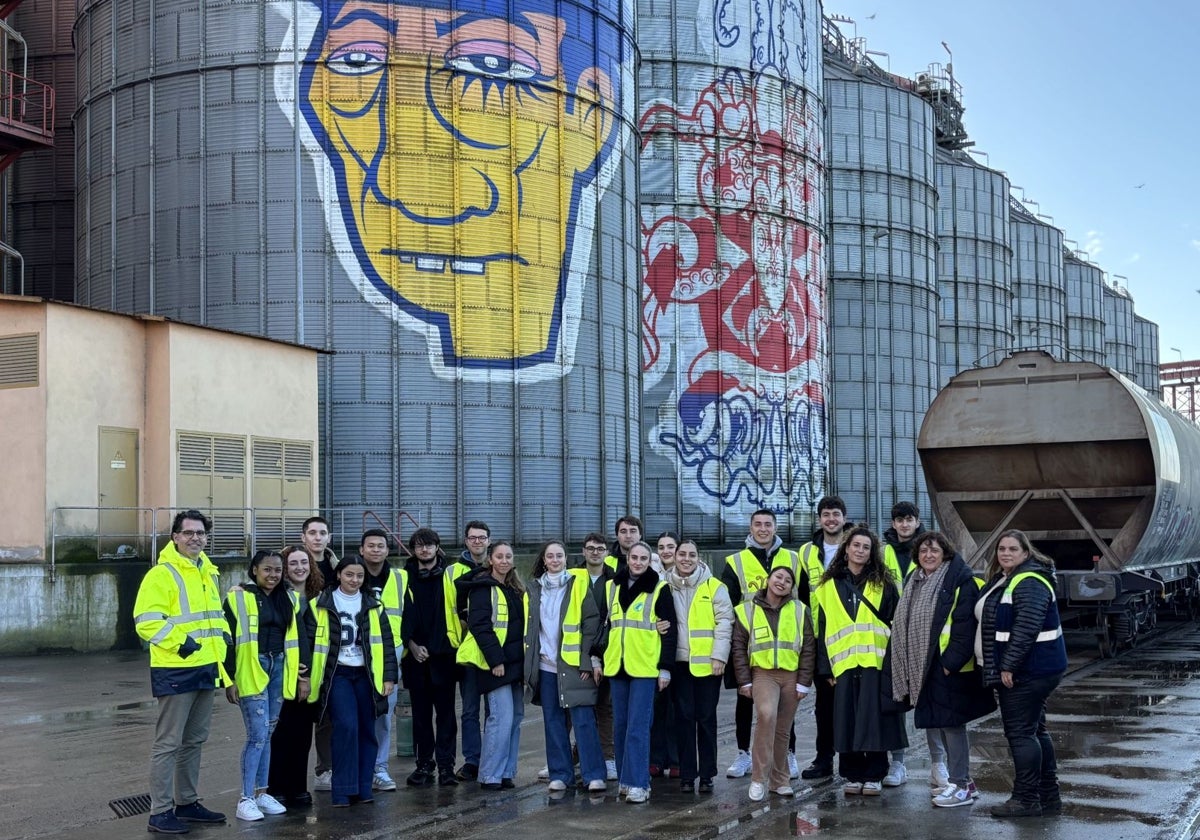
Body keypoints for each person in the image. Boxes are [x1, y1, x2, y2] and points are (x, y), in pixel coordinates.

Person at [134, 509, 229, 834]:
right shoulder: (162, 574)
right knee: (168, 743)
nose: (195, 538)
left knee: (194, 741)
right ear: (175, 537)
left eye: (200, 533)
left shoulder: (207, 571)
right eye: (188, 533)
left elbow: (212, 618)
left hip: (205, 667)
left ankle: (187, 802)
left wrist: (223, 644)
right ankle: (160, 812)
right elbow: (146, 622)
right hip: (176, 668)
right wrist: (183, 643)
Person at [887, 532, 994, 808]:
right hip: (926, 665)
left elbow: (964, 626)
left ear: (945, 553)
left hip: (947, 667)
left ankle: (960, 786)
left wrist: (950, 664)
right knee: (942, 724)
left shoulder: (959, 581)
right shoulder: (916, 580)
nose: (928, 555)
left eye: (934, 550)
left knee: (952, 725)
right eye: (923, 551)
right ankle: (964, 782)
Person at [978, 530, 1068, 819]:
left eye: (1013, 549)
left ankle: (1026, 799)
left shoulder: (1029, 581)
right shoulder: (1010, 577)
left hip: (1028, 671)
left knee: (1020, 734)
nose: (1005, 553)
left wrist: (1008, 666)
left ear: (1026, 553)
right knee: (1035, 731)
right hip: (1034, 669)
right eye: (1001, 548)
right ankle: (1048, 796)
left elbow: (1027, 626)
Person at [813, 524, 905, 796]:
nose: (861, 550)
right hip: (842, 664)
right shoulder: (828, 586)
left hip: (875, 663)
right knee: (846, 719)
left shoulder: (884, 584)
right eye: (856, 545)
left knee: (874, 720)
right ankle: (852, 774)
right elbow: (823, 627)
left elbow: (895, 625)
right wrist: (825, 667)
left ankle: (875, 774)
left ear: (872, 552)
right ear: (846, 549)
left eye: (866, 547)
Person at [224, 550, 309, 821]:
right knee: (257, 736)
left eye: (277, 570)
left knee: (268, 734)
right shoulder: (238, 596)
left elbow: (298, 636)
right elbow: (226, 639)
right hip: (252, 669)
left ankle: (262, 793)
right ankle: (246, 798)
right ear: (254, 570)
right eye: (267, 570)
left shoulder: (291, 598)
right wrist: (229, 679)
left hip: (279, 668)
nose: (273, 575)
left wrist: (301, 672)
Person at [306, 556, 398, 807]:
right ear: (338, 575)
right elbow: (309, 641)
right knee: (346, 726)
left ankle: (363, 788)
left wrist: (389, 677)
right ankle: (343, 790)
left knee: (368, 730)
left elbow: (387, 644)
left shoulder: (373, 605)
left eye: (359, 576)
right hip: (338, 675)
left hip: (367, 676)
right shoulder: (320, 603)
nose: (354, 580)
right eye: (349, 575)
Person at [720, 508, 801, 780]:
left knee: (785, 704)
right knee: (745, 699)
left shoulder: (792, 558)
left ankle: (788, 753)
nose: (763, 529)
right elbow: (728, 605)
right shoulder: (736, 561)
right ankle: (744, 753)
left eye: (768, 524)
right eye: (758, 524)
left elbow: (804, 601)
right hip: (749, 642)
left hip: (785, 642)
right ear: (751, 527)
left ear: (775, 527)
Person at [524, 541, 608, 793]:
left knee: (583, 720)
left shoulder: (578, 584)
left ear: (565, 559)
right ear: (544, 560)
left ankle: (594, 774)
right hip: (546, 667)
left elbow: (591, 625)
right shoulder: (534, 589)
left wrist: (586, 660)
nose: (555, 560)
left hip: (573, 666)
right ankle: (561, 774)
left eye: (559, 555)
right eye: (550, 556)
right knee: (553, 722)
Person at [597, 541, 677, 804]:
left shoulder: (660, 589)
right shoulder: (612, 587)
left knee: (638, 727)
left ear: (649, 561)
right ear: (627, 559)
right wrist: (597, 658)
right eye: (634, 557)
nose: (638, 562)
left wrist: (665, 668)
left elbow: (670, 633)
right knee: (620, 725)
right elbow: (605, 626)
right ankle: (624, 779)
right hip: (617, 666)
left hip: (645, 666)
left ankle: (639, 783)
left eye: (644, 558)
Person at [731, 566, 816, 802]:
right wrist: (744, 680)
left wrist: (803, 682)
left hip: (791, 675)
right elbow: (738, 647)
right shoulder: (747, 609)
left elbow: (808, 646)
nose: (782, 582)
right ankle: (758, 778)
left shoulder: (800, 610)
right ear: (768, 580)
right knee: (766, 716)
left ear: (792, 587)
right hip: (763, 674)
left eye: (788, 580)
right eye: (778, 577)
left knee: (783, 729)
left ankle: (780, 781)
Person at [400, 528, 469, 786]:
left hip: (444, 656)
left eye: (429, 545)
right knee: (420, 715)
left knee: (446, 715)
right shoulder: (404, 578)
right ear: (413, 549)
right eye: (419, 546)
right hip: (415, 657)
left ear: (437, 547)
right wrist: (412, 644)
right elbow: (398, 616)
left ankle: (446, 766)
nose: (424, 550)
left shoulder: (450, 575)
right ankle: (424, 764)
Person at [458, 541, 527, 789]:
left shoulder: (516, 588)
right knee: (501, 717)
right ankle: (490, 774)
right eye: (499, 556)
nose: (505, 561)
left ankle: (506, 771)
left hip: (517, 663)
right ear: (491, 560)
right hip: (496, 664)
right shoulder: (482, 588)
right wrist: (495, 660)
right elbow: (480, 626)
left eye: (508, 556)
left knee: (516, 717)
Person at [666, 539, 733, 793]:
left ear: (698, 558)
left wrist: (719, 657)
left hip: (708, 665)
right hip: (679, 664)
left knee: (705, 719)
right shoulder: (664, 587)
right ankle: (686, 775)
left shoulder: (714, 587)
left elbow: (725, 623)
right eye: (681, 554)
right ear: (674, 556)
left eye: (691, 555)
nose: (686, 559)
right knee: (683, 720)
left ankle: (706, 774)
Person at [795, 495, 853, 780]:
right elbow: (800, 596)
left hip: (853, 636)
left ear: (844, 517)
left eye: (836, 514)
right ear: (819, 519)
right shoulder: (806, 552)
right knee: (824, 705)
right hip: (820, 636)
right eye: (826, 514)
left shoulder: (857, 545)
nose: (831, 519)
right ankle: (824, 758)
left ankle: (854, 758)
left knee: (854, 700)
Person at [268, 545, 325, 807]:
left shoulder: (320, 596)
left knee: (303, 736)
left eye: (304, 562)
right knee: (280, 734)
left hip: (314, 675)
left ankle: (298, 788)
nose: (300, 567)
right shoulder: (276, 596)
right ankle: (276, 787)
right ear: (285, 568)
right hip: (283, 676)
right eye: (293, 563)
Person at [359, 529, 408, 792]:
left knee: (384, 714)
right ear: (361, 549)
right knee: (355, 713)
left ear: (388, 550)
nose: (376, 550)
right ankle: (358, 768)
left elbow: (409, 613)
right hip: (357, 652)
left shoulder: (400, 577)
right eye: (371, 545)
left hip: (391, 652)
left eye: (381, 546)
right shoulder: (351, 574)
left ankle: (380, 768)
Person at [879, 502, 923, 786]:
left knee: (929, 699)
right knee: (893, 699)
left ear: (917, 522)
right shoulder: (882, 552)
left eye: (909, 520)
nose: (904, 525)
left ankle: (940, 765)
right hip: (890, 632)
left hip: (921, 630)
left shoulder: (931, 549)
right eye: (899, 520)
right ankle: (897, 763)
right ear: (893, 524)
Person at [301, 515, 340, 792]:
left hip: (333, 649)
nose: (317, 537)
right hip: (304, 649)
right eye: (312, 533)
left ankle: (326, 768)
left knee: (329, 713)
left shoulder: (338, 567)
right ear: (304, 537)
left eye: (322, 533)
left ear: (329, 537)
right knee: (303, 715)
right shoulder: (295, 562)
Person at [581, 531, 619, 781]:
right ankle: (570, 757)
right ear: (583, 551)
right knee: (577, 709)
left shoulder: (615, 580)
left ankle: (608, 757)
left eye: (600, 548)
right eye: (591, 548)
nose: (595, 552)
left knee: (605, 707)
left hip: (606, 651)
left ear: (607, 553)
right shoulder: (573, 578)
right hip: (577, 651)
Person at [455, 520, 491, 781]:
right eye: (473, 538)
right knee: (469, 710)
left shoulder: (500, 565)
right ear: (466, 541)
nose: (477, 542)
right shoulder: (454, 572)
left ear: (488, 540)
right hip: (467, 651)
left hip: (493, 653)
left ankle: (491, 757)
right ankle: (472, 760)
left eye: (482, 537)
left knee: (494, 710)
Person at [649, 529, 682, 777]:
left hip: (682, 649)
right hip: (655, 650)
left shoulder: (688, 573)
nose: (666, 551)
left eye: (671, 546)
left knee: (676, 709)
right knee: (658, 707)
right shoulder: (652, 577)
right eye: (661, 547)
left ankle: (676, 759)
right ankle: (657, 758)